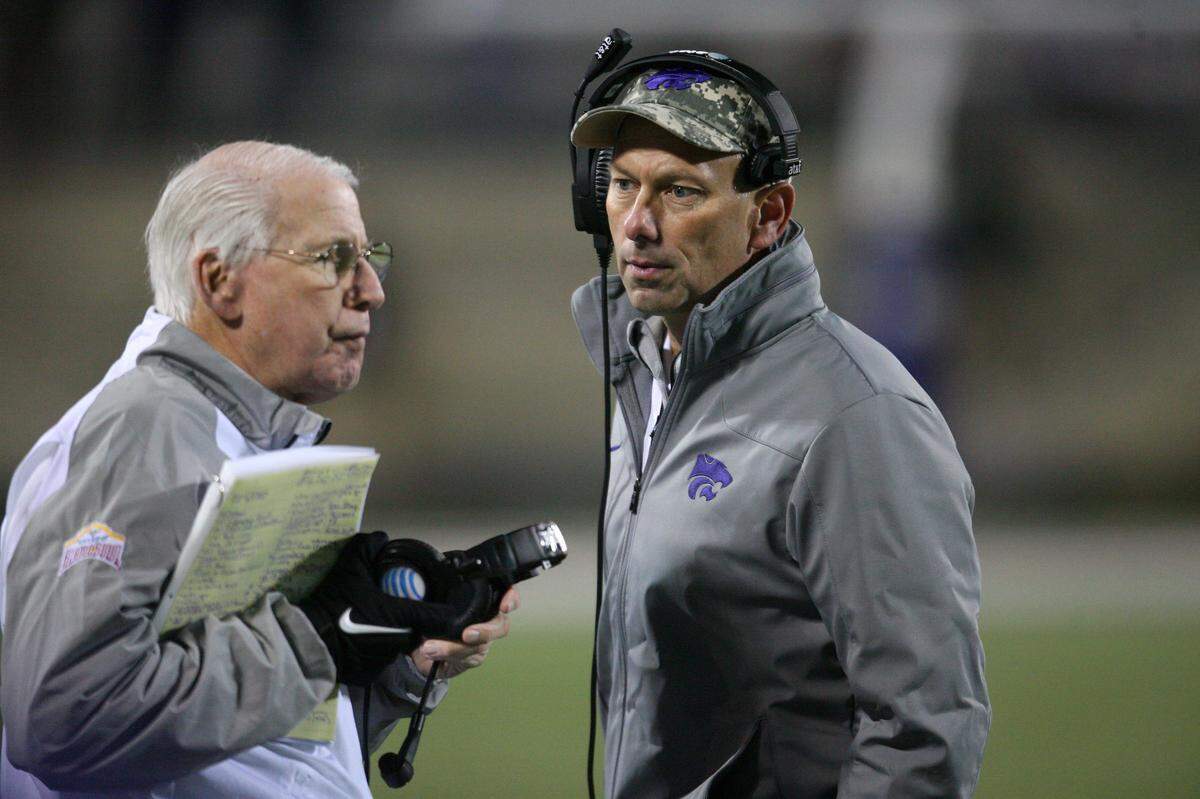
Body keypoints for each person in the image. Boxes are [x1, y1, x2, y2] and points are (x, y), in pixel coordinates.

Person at [0, 141, 516, 797]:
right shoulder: (147, 429)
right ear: (219, 280)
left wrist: (396, 669)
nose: (373, 291)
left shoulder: (232, 430)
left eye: (369, 257)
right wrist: (320, 640)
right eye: (335, 259)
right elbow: (65, 721)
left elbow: (257, 757)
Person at [569, 56, 990, 797]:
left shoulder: (858, 416)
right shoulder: (650, 376)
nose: (636, 223)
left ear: (767, 214)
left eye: (680, 190)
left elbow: (922, 728)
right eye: (624, 182)